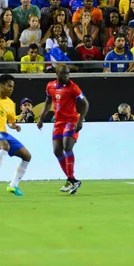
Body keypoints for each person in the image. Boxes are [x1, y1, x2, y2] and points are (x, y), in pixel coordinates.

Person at [37, 64, 89, 194]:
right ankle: (71, 179)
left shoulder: (73, 87)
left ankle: (71, 179)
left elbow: (85, 103)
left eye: (67, 73)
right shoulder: (50, 86)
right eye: (63, 74)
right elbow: (48, 102)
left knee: (67, 146)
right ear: (57, 74)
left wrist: (80, 120)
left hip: (71, 120)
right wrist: (41, 118)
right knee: (56, 150)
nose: (66, 76)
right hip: (58, 122)